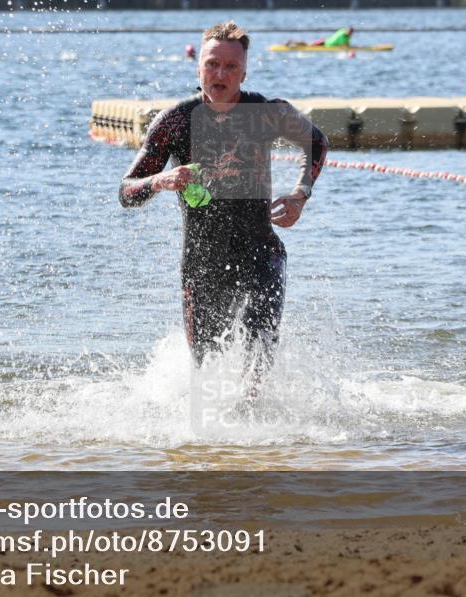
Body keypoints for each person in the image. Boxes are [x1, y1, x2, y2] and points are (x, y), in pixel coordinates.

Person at [119, 21, 328, 375]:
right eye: (212, 64)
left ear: (244, 73)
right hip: (201, 265)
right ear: (199, 67)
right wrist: (159, 180)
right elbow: (126, 191)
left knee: (256, 362)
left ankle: (259, 407)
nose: (220, 74)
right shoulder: (175, 122)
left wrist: (300, 195)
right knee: (205, 372)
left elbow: (317, 142)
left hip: (261, 256)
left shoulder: (266, 112)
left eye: (231, 66)